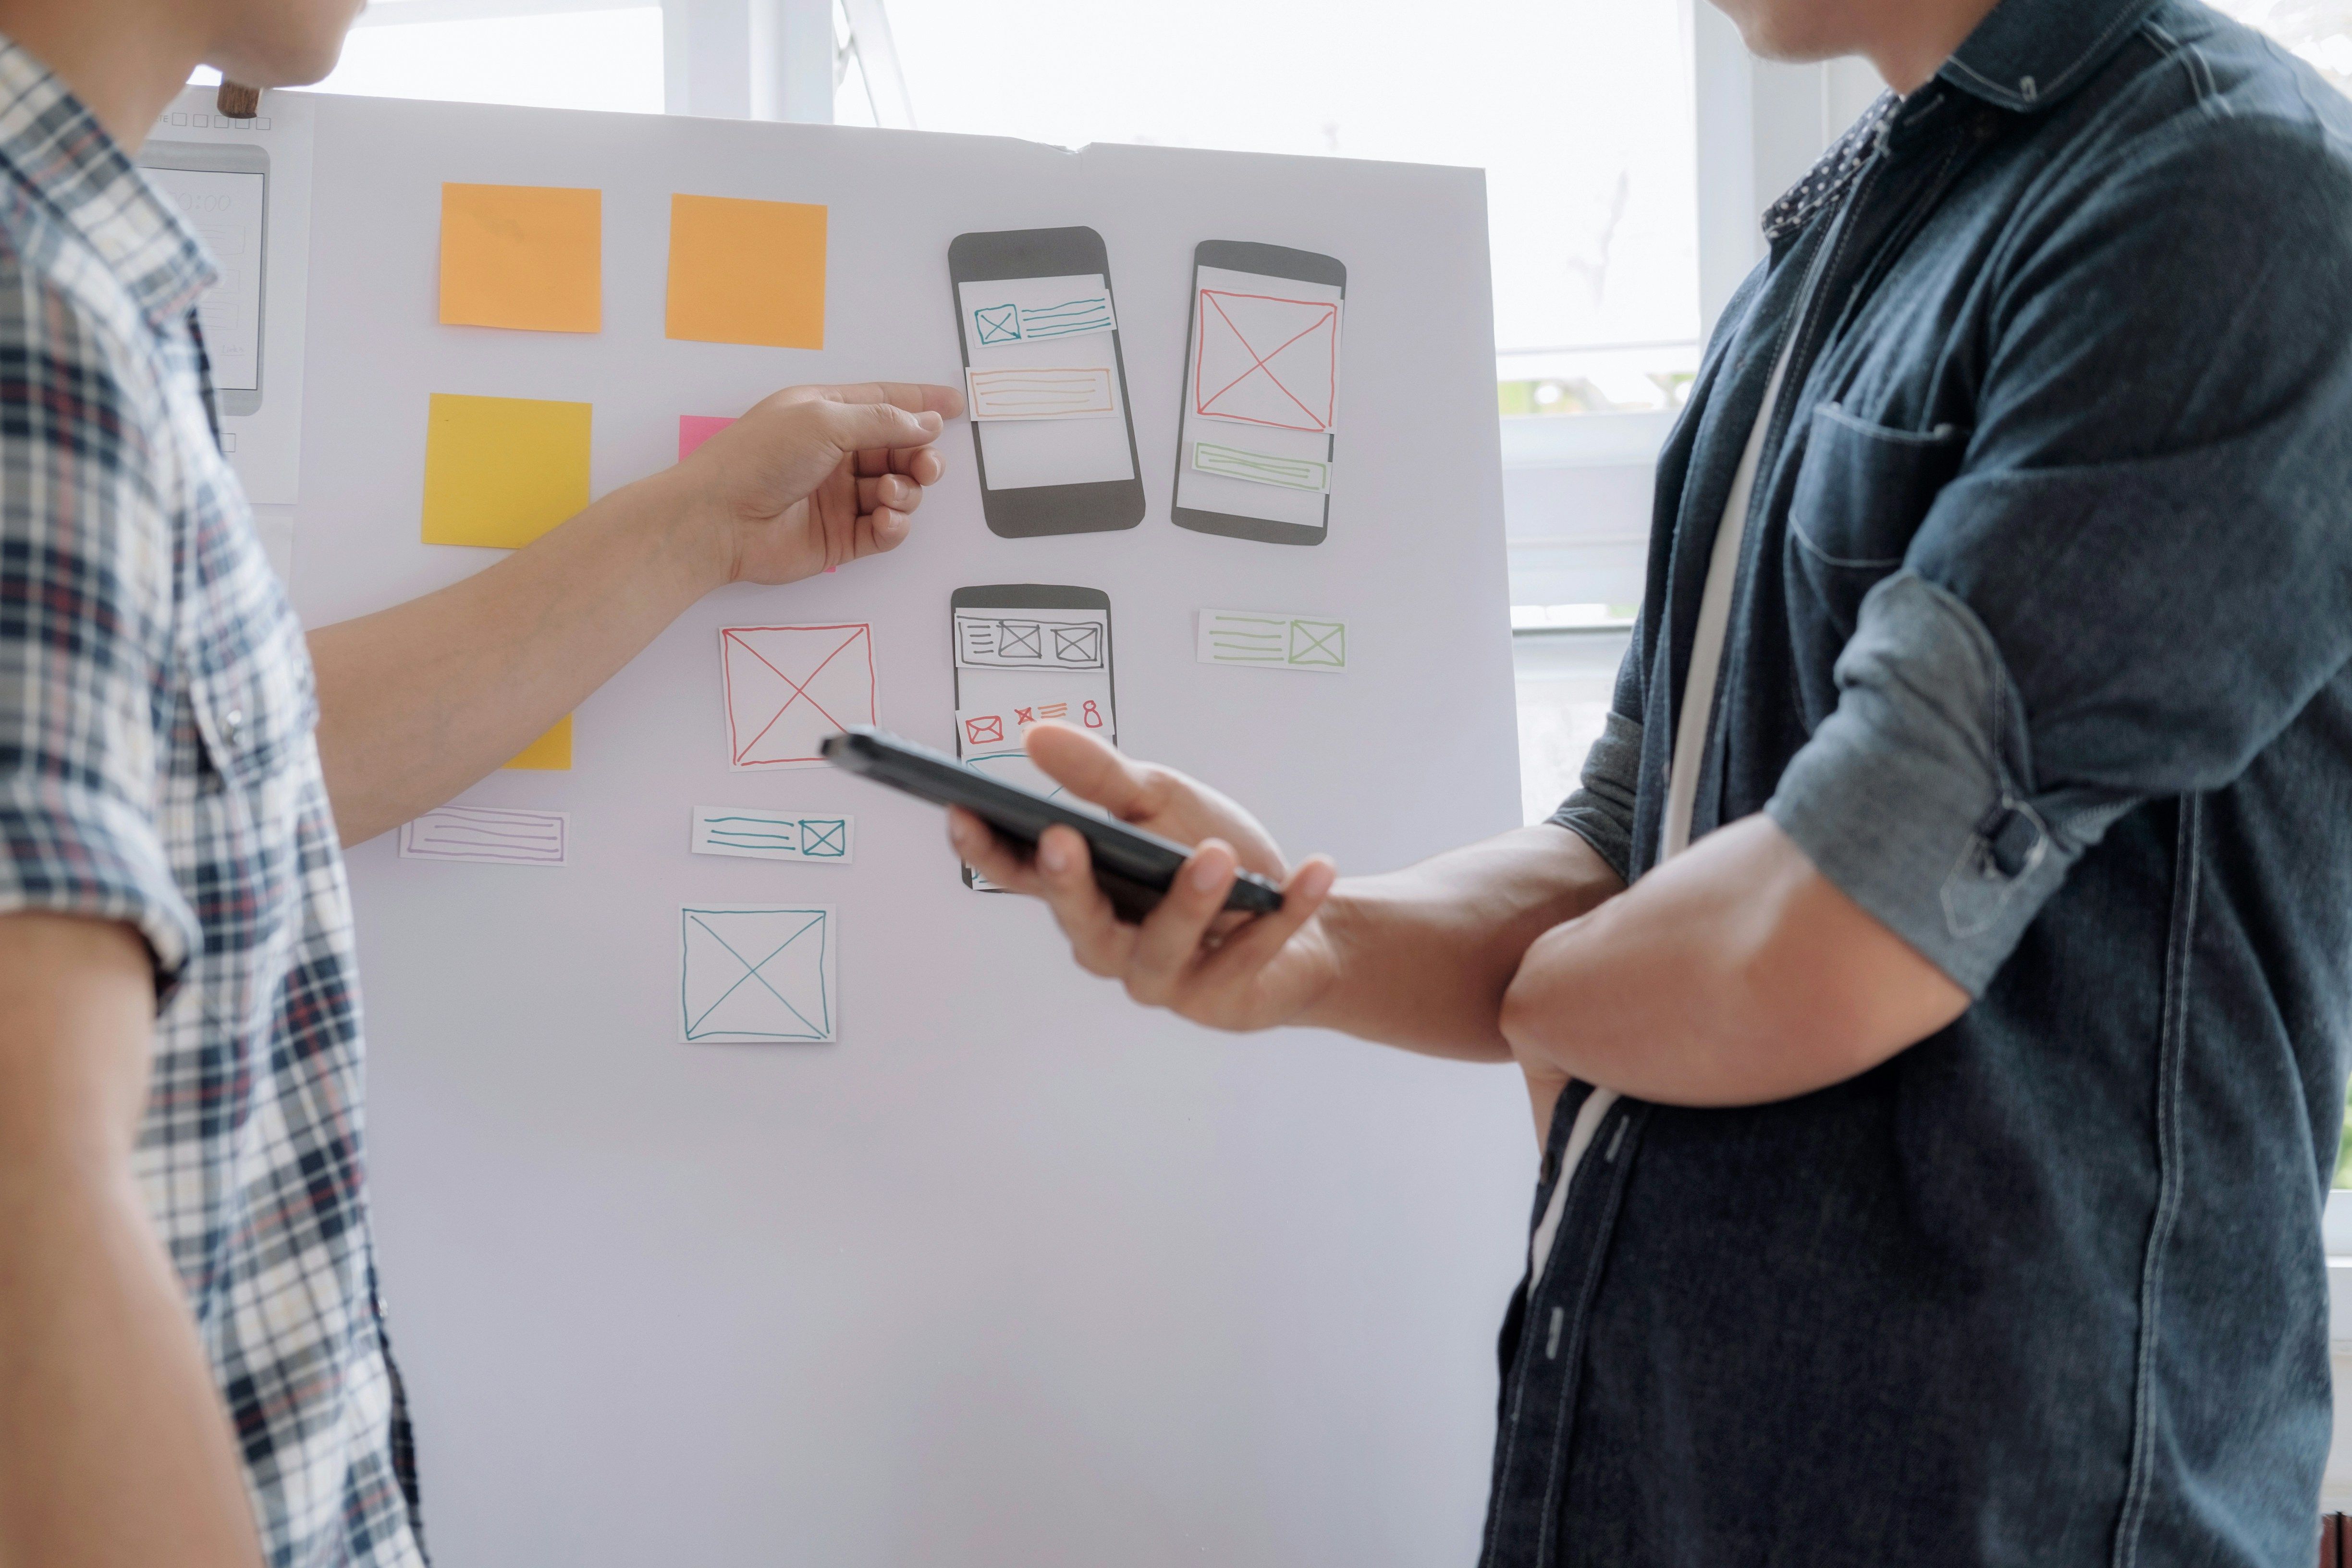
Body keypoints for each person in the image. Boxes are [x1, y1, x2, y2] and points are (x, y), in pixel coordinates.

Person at [954, 0, 2352, 1561]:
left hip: (1996, 1506)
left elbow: (1838, 926)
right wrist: (1304, 937)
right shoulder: (1844, 238)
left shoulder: (2225, 192)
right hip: (1649, 1478)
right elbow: (1642, 840)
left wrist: (1550, 1013)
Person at [0, 1, 962, 1563]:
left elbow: (232, 777)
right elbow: (23, 1210)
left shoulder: (77, 274)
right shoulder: (31, 310)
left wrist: (698, 530)